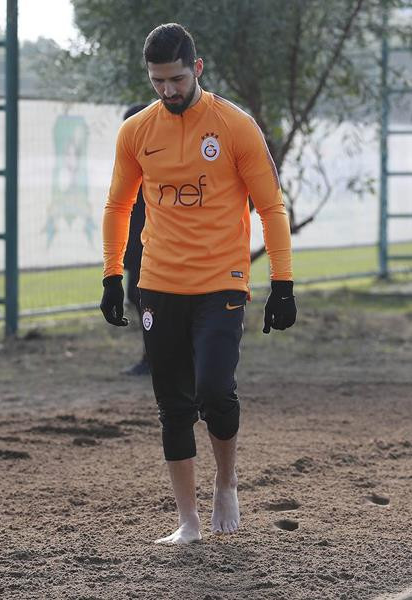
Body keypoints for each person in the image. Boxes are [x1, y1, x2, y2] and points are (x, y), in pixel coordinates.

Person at [100, 23, 296, 545]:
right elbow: (119, 206)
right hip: (160, 282)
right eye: (158, 81)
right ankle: (187, 521)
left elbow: (271, 205)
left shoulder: (234, 126)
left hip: (221, 282)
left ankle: (226, 481)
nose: (168, 91)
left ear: (198, 69)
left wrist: (283, 281)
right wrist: (111, 274)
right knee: (173, 404)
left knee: (214, 391)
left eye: (178, 79)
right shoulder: (136, 132)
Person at [121, 103, 150, 376]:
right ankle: (152, 356)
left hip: (152, 245)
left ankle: (155, 357)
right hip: (136, 244)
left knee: (147, 299)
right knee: (137, 297)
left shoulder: (154, 161)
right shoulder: (131, 160)